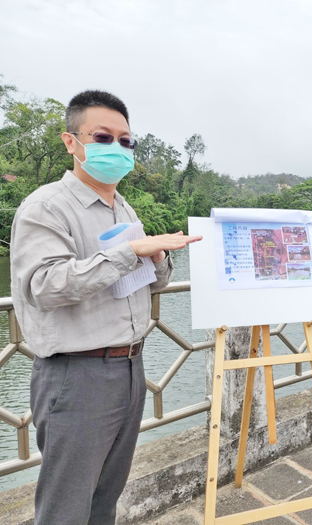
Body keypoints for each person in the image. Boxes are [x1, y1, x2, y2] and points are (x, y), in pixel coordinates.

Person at [10, 90, 202, 525]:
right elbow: (43, 285)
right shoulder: (46, 207)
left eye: (126, 140)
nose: (116, 148)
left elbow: (151, 282)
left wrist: (157, 258)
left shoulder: (122, 207)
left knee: (104, 498)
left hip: (130, 369)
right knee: (66, 507)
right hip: (76, 375)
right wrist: (130, 251)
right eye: (103, 136)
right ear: (71, 141)